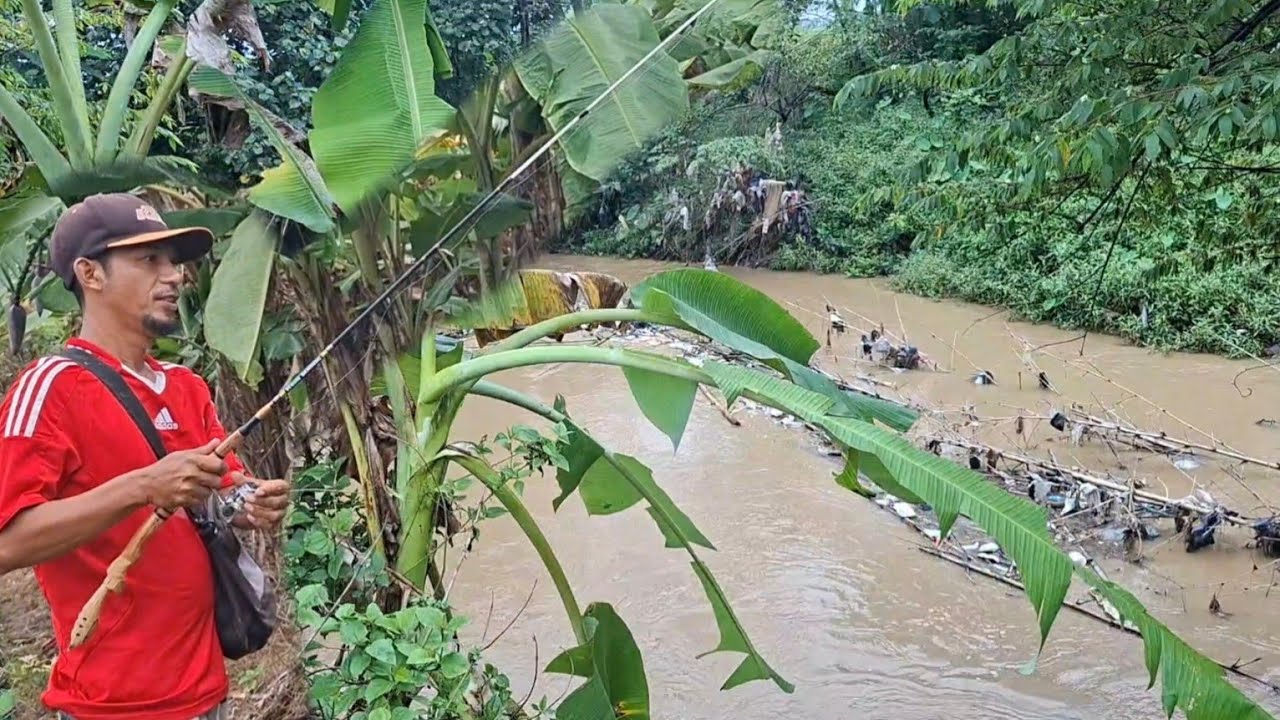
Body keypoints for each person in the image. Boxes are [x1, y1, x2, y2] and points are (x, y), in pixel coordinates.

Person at [0, 193, 292, 720]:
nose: (174, 275)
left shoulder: (187, 386)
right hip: (112, 705)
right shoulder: (50, 388)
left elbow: (219, 492)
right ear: (90, 273)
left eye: (175, 260)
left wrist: (248, 503)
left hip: (208, 693)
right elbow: (6, 545)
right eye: (148, 260)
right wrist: (144, 486)